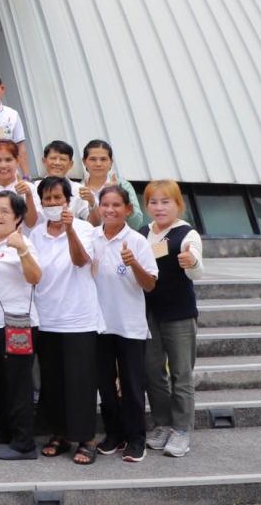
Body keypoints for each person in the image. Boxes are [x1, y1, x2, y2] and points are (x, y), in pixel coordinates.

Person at [29, 177, 100, 465]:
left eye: (57, 198)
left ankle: (86, 439)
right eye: (47, 199)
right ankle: (58, 434)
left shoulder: (84, 228)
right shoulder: (36, 233)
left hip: (78, 318)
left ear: (68, 201)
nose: (52, 204)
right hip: (47, 317)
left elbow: (81, 260)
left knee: (80, 381)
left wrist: (69, 229)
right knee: (53, 381)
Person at [93, 185, 159, 463]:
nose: (110, 210)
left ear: (128, 209)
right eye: (105, 204)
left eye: (116, 205)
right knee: (105, 384)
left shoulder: (137, 241)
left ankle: (136, 439)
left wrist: (133, 264)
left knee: (132, 385)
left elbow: (150, 284)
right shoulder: (91, 237)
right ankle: (114, 434)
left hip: (129, 325)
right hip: (99, 324)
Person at [0, 191, 41, 460]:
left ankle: (25, 444)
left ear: (18, 218)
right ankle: (6, 430)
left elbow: (35, 277)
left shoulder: (22, 243)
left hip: (17, 324)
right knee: (1, 381)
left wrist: (22, 250)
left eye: (5, 211)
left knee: (18, 384)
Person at [142, 179, 204, 459]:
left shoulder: (187, 234)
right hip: (148, 314)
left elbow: (196, 270)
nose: (159, 207)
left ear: (178, 204)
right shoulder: (143, 233)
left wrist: (192, 262)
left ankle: (181, 429)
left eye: (165, 201)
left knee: (181, 373)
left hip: (179, 313)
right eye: (153, 202)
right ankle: (162, 424)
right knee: (153, 372)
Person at [80, 140, 144, 230]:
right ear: (84, 161)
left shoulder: (123, 185)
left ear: (111, 162)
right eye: (93, 159)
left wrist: (120, 195)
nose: (98, 164)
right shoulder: (77, 188)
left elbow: (136, 223)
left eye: (103, 159)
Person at [41, 141, 89, 219]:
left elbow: (94, 221)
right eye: (53, 158)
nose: (57, 163)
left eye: (63, 159)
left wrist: (92, 203)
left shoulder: (79, 189)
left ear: (70, 164)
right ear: (44, 161)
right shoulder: (33, 188)